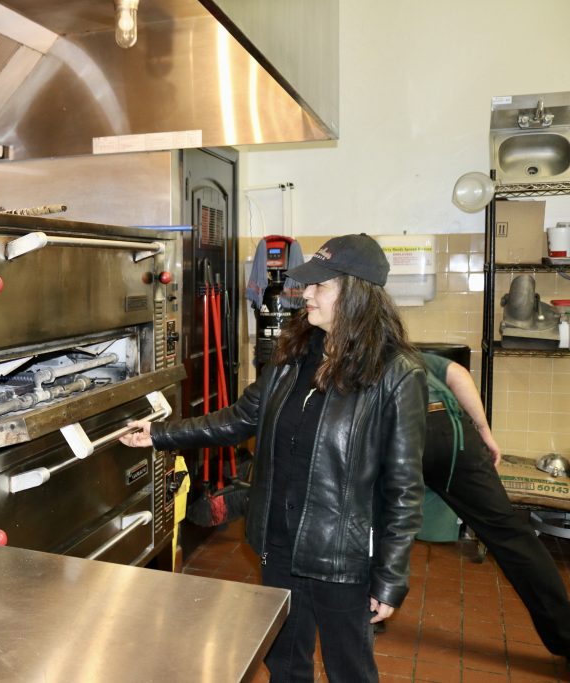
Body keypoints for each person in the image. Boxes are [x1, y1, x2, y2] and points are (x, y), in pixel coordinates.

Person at [122, 233, 427, 682]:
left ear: (357, 293)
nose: (305, 293)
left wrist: (390, 576)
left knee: (350, 670)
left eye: (319, 286)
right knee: (283, 662)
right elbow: (241, 418)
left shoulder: (397, 375)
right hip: (278, 543)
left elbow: (404, 490)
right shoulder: (294, 354)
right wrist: (161, 434)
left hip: (340, 556)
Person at [420, 350, 570, 657]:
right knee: (509, 534)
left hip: (402, 431)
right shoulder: (410, 353)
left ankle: (368, 609)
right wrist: (485, 431)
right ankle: (566, 637)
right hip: (452, 428)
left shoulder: (346, 347)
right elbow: (458, 375)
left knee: (364, 519)